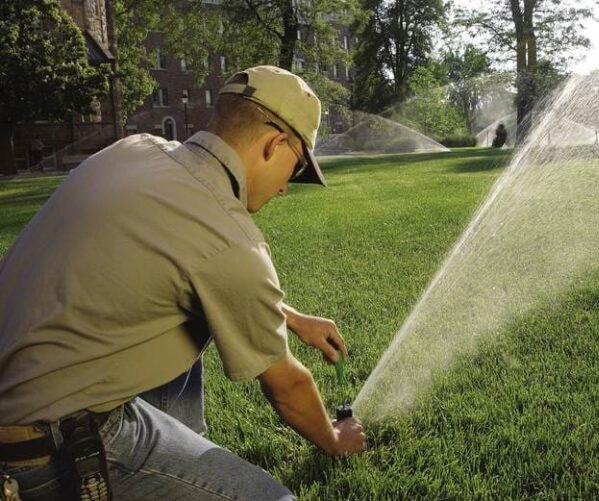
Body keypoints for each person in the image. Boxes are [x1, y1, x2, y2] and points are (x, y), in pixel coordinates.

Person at [0, 66, 366, 500]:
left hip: (22, 396)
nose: (287, 188)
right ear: (274, 145)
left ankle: (184, 448)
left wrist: (289, 317)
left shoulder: (134, 151)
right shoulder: (228, 237)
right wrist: (336, 439)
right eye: (298, 166)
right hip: (51, 449)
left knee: (192, 316)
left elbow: (162, 268)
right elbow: (289, 389)